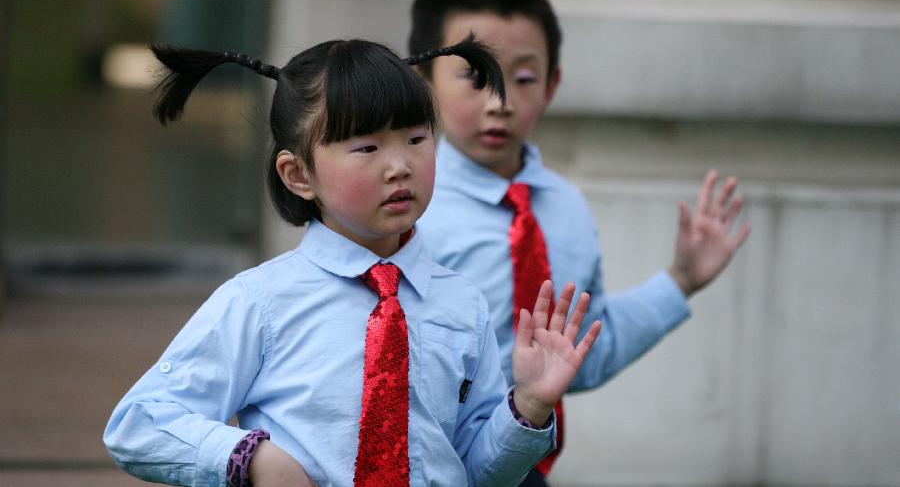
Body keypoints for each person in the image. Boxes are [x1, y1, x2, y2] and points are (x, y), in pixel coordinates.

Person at [103, 35, 602, 487]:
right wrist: (250, 457)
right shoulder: (260, 302)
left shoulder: (461, 303)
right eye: (366, 147)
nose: (400, 165)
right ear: (298, 175)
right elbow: (140, 422)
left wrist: (529, 406)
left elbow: (477, 472)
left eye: (416, 138)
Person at [410, 0, 752, 485]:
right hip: (417, 462)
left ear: (552, 85)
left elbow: (582, 356)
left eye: (523, 78)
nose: (500, 102)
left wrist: (680, 280)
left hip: (522, 464)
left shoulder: (565, 208)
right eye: (475, 76)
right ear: (422, 80)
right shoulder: (405, 204)